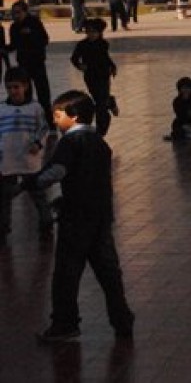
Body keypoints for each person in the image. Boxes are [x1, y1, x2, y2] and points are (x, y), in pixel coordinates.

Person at [26, 90, 134, 342]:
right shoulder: (100, 143)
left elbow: (58, 171)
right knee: (108, 272)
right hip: (100, 215)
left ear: (72, 116)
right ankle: (122, 319)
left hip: (76, 219)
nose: (55, 120)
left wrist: (34, 182)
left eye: (58, 115)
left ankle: (65, 323)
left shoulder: (70, 142)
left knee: (66, 272)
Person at [0, 67, 52, 242]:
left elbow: (44, 128)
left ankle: (46, 223)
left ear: (26, 86)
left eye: (16, 87)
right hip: (7, 160)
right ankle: (3, 229)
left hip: (29, 160)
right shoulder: (2, 109)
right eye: (9, 88)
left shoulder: (35, 108)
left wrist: (38, 143)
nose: (13, 91)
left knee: (37, 193)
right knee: (4, 196)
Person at [70, 18, 119, 137]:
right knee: (99, 99)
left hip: (103, 75)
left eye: (93, 32)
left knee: (100, 104)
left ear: (99, 32)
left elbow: (106, 58)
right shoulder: (82, 45)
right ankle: (110, 102)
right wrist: (80, 66)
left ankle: (101, 130)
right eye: (88, 31)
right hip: (90, 76)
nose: (91, 34)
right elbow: (74, 58)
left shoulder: (103, 44)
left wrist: (112, 67)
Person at [7, 1, 51, 121]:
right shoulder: (14, 27)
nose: (15, 16)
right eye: (13, 13)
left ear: (25, 12)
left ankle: (48, 119)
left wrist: (31, 34)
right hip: (23, 64)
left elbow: (45, 40)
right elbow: (13, 45)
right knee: (26, 93)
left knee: (43, 93)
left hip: (37, 62)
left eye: (18, 12)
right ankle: (28, 117)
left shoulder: (34, 23)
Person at [164, 77, 191, 142]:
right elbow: (180, 114)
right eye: (184, 88)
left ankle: (190, 133)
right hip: (183, 122)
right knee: (176, 124)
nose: (186, 90)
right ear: (180, 89)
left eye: (188, 88)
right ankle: (187, 134)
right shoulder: (177, 101)